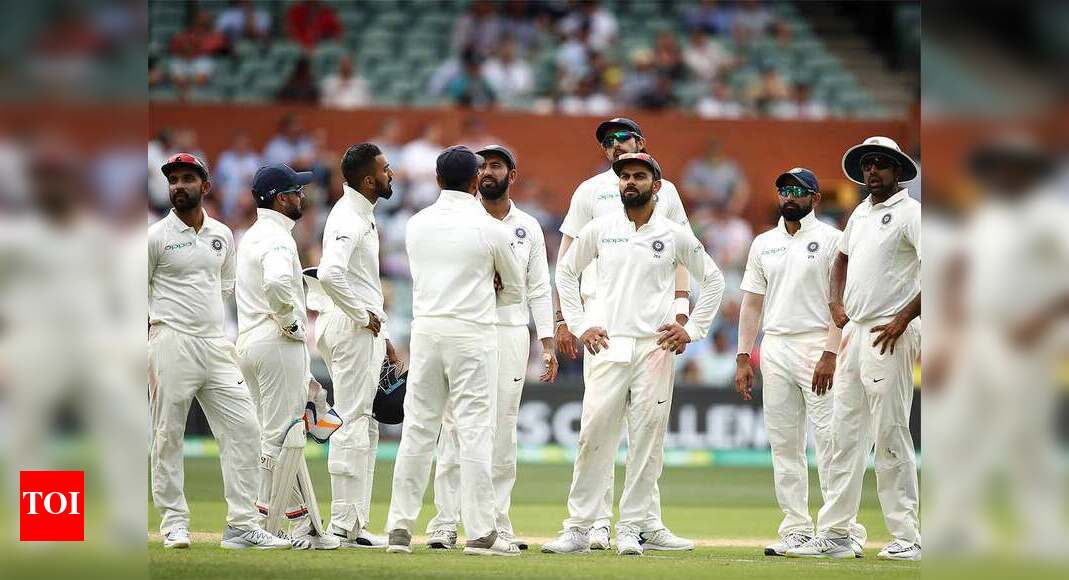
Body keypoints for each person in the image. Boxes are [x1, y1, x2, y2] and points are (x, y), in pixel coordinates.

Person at [544, 152, 725, 556]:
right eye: (624, 176)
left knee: (647, 441)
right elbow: (566, 273)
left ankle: (631, 528)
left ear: (655, 186)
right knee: (593, 436)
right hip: (608, 343)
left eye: (638, 176)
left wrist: (691, 328)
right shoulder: (600, 228)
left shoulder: (674, 234)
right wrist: (579, 324)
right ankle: (579, 528)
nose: (630, 182)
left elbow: (713, 280)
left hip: (654, 348)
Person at [384, 146, 524, 556]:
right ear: (475, 180)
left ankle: (399, 529)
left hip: (427, 332)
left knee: (417, 430)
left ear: (438, 180)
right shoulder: (491, 229)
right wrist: (488, 288)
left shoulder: (416, 224)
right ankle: (480, 533)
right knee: (475, 431)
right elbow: (514, 289)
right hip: (473, 334)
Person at [787, 137, 921, 561]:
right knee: (843, 435)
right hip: (856, 333)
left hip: (889, 331)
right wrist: (835, 302)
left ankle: (907, 536)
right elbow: (840, 260)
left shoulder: (912, 214)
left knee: (890, 432)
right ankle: (836, 534)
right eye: (867, 165)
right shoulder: (861, 212)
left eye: (880, 164)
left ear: (898, 170)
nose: (872, 171)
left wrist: (904, 318)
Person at [149, 153, 288, 550]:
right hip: (170, 341)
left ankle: (242, 525)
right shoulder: (155, 236)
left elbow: (225, 286)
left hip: (215, 344)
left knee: (245, 428)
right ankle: (174, 523)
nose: (179, 185)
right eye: (173, 180)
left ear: (205, 186)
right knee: (168, 434)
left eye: (187, 178)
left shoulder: (222, 235)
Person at [425, 145, 558, 551]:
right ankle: (444, 523)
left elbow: (539, 287)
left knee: (503, 428)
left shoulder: (528, 227)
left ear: (511, 175)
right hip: (467, 328)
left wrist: (547, 343)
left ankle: (497, 522)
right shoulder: (463, 219)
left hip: (511, 331)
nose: (487, 172)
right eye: (481, 166)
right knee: (455, 424)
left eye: (496, 166)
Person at [734, 167, 866, 557]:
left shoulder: (832, 240)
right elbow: (752, 304)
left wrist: (831, 352)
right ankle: (796, 528)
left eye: (798, 191)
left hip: (817, 343)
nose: (789, 197)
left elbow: (843, 303)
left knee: (830, 442)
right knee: (784, 445)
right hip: (775, 346)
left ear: (815, 198)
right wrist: (743, 355)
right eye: (784, 190)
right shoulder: (763, 243)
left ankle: (843, 530)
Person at [235, 163, 339, 550]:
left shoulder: (252, 234)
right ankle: (263, 525)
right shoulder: (278, 239)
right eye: (296, 191)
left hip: (251, 341)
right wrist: (291, 323)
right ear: (280, 199)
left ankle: (300, 525)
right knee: (284, 437)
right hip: (276, 340)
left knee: (278, 435)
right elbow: (278, 282)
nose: (302, 196)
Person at [313, 143, 401, 548]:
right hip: (350, 328)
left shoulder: (361, 213)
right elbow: (330, 273)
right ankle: (341, 525)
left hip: (362, 329)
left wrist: (383, 334)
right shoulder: (349, 216)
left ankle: (355, 524)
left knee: (366, 423)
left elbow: (358, 281)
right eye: (385, 169)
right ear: (369, 180)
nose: (390, 174)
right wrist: (362, 315)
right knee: (352, 420)